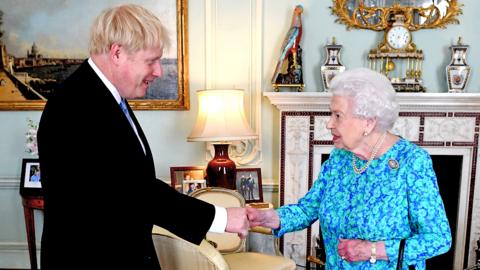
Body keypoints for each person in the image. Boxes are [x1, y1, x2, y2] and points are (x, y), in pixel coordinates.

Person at [37, 4, 248, 270]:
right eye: (151, 60)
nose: (159, 71)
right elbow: (134, 190)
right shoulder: (76, 104)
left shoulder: (105, 97)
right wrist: (220, 217)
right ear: (117, 53)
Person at [247, 68, 452, 269]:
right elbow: (307, 209)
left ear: (368, 123)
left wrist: (373, 250)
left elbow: (438, 238)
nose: (328, 124)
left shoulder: (412, 162)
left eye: (338, 115)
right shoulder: (339, 158)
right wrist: (270, 218)